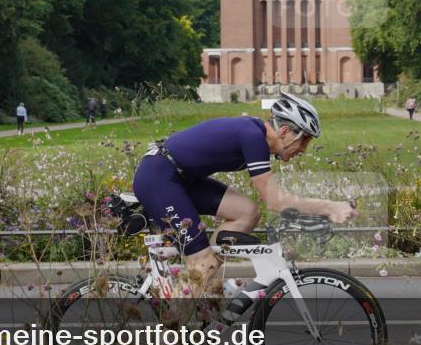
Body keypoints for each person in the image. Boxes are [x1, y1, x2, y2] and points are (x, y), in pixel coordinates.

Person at [132, 92, 357, 298]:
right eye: (304, 139)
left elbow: (269, 200)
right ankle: (172, 337)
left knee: (247, 213)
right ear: (285, 132)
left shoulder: (255, 135)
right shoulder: (252, 136)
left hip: (179, 177)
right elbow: (275, 201)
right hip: (158, 176)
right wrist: (329, 207)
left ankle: (200, 282)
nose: (304, 149)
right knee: (201, 259)